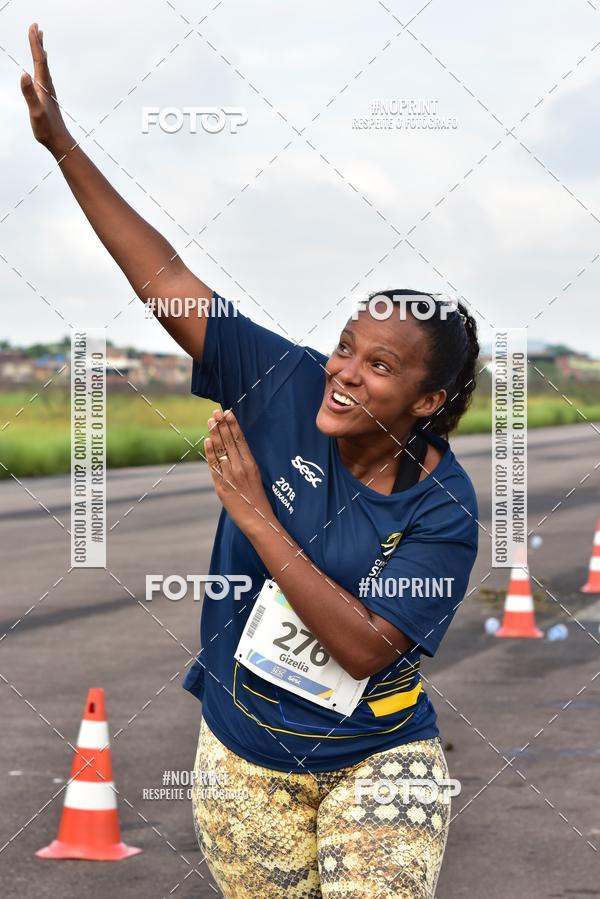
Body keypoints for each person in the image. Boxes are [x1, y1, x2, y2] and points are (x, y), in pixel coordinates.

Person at [22, 23, 479, 898]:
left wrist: (255, 514)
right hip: (244, 753)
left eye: (379, 366)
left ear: (426, 401)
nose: (343, 370)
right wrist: (64, 147)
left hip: (377, 756)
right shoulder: (282, 381)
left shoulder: (444, 510)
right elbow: (165, 278)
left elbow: (362, 647)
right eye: (347, 345)